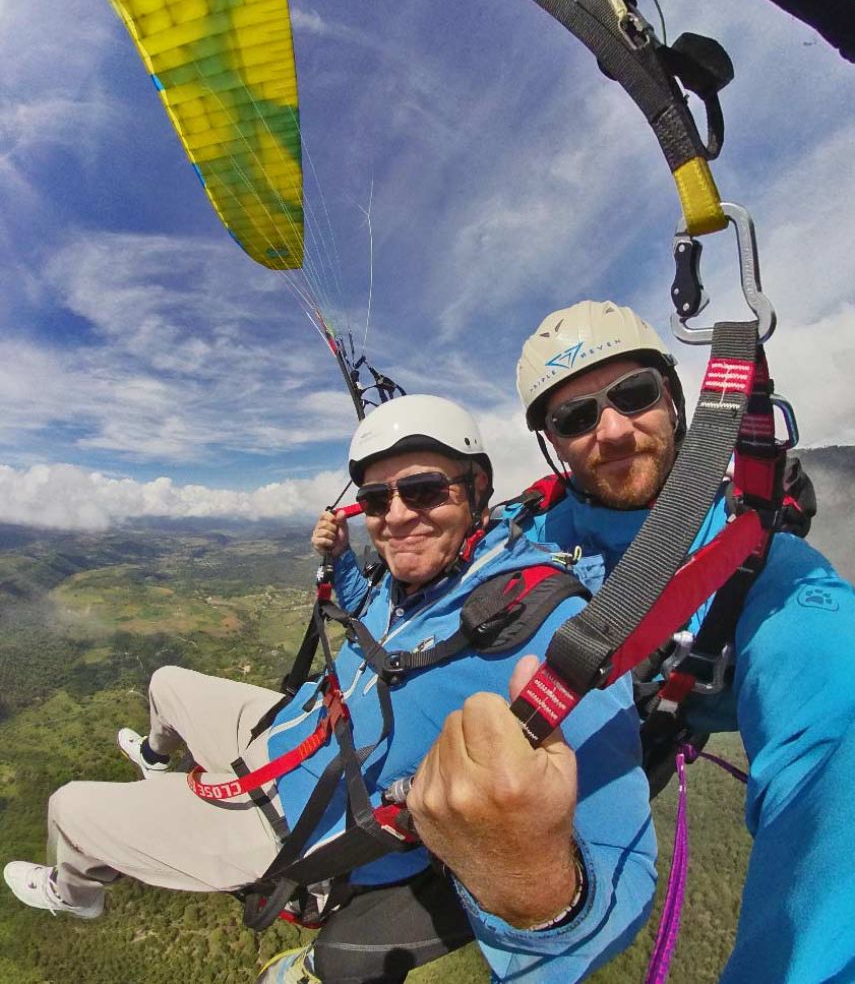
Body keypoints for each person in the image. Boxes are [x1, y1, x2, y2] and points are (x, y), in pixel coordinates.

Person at [4, 394, 655, 984]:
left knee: (69, 808)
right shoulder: (422, 579)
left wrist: (533, 887)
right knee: (165, 682)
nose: (396, 516)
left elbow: (624, 870)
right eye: (375, 501)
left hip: (304, 817)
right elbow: (373, 625)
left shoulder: (549, 623)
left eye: (423, 491)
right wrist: (341, 562)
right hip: (298, 725)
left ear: (476, 488)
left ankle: (76, 893)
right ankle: (154, 759)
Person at [498, 299, 855, 983]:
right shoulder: (535, 528)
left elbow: (836, 718)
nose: (610, 430)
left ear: (673, 398)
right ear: (552, 444)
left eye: (631, 396)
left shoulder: (749, 559)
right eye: (574, 418)